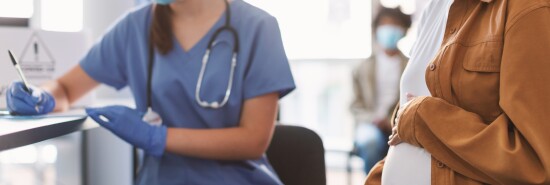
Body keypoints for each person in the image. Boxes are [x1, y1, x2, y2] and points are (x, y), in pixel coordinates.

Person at [6, 0, 295, 184]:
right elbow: (68, 88)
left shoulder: (258, 27)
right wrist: (43, 95)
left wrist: (158, 137)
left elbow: (254, 139)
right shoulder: (136, 26)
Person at [366, 0, 550, 184]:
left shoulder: (527, 7)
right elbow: (404, 137)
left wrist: (425, 118)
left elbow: (537, 162)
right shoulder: (433, 9)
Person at [350, 7, 411, 174]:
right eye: (385, 24)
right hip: (369, 124)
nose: (389, 29)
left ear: (404, 30)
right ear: (376, 30)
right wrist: (374, 119)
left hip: (401, 124)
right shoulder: (362, 68)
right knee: (370, 143)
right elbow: (355, 105)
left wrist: (393, 122)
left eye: (394, 24)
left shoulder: (411, 66)